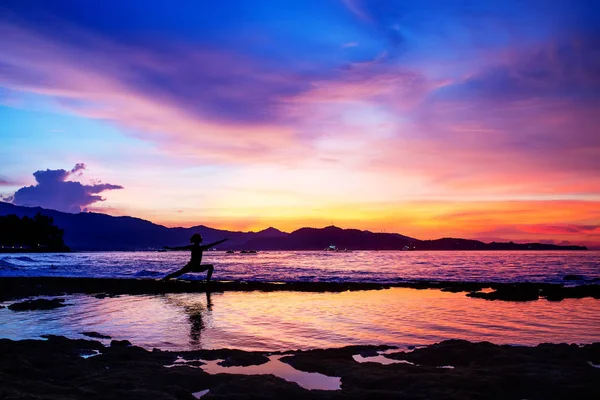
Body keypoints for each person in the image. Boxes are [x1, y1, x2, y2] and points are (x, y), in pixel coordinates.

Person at [162, 234, 228, 281]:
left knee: (178, 273)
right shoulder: (199, 247)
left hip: (195, 267)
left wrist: (169, 248)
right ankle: (208, 282)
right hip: (192, 266)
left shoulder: (195, 247)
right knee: (177, 273)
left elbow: (179, 248)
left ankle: (166, 278)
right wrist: (169, 248)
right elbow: (179, 248)